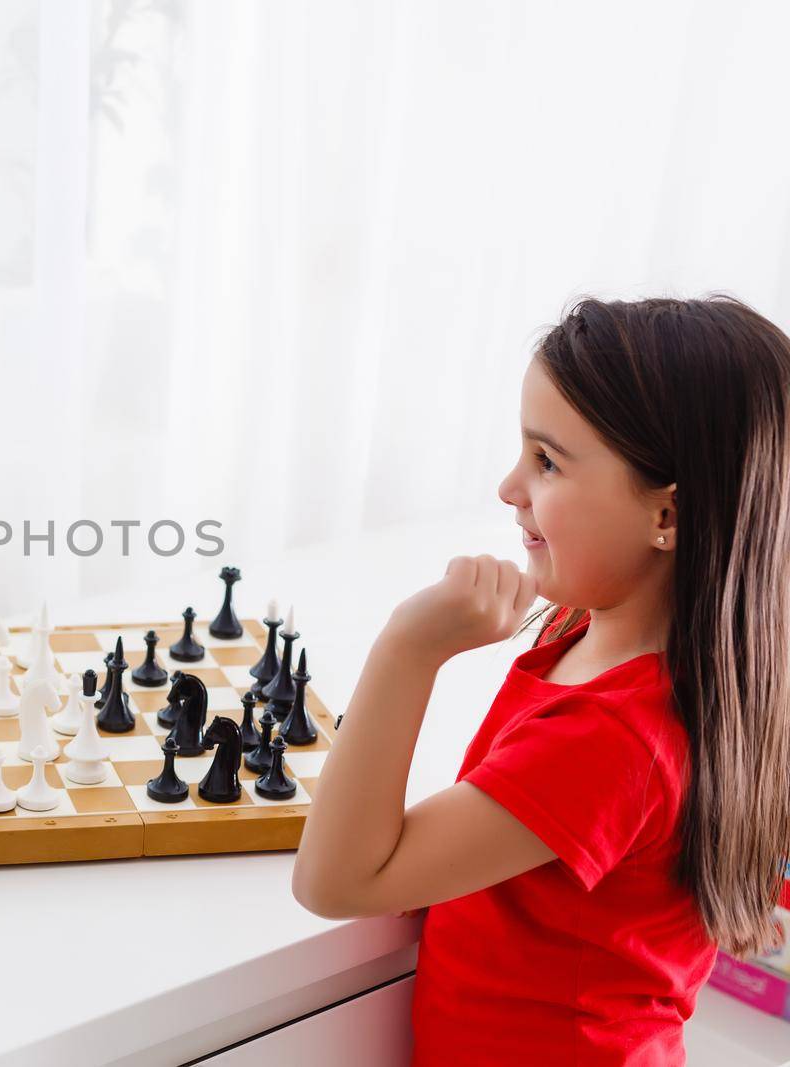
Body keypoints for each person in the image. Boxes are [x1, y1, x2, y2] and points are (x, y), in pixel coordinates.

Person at [293, 296, 790, 1064]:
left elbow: (337, 881)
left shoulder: (614, 735)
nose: (508, 486)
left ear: (668, 515)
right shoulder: (606, 636)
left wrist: (407, 647)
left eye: (547, 461)